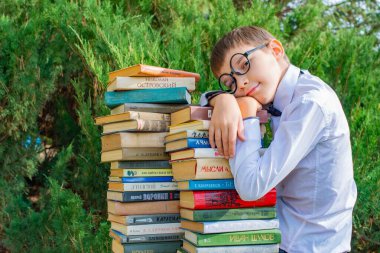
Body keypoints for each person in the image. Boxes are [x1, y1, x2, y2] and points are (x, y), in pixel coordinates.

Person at [200, 26, 357, 253]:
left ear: (275, 49)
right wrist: (223, 100)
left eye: (244, 65)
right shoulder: (272, 90)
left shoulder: (310, 103)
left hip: (308, 246)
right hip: (279, 238)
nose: (241, 83)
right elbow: (204, 97)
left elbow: (251, 187)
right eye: (230, 83)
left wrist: (246, 115)